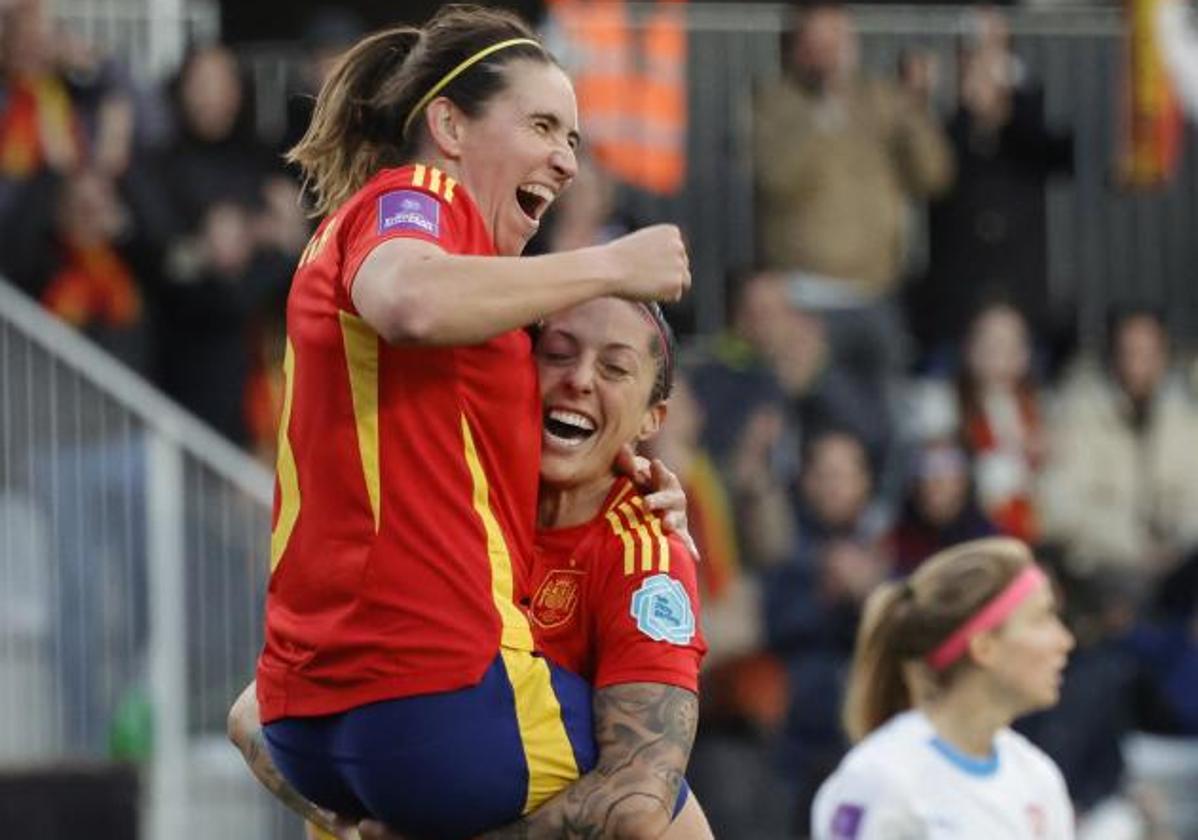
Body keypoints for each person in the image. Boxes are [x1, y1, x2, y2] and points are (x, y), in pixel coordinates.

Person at [253, 6, 690, 838]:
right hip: (428, 694)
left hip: (306, 709)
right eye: (542, 125)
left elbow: (441, 463)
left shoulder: (433, 267)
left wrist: (620, 481)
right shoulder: (420, 196)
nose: (565, 159)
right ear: (448, 124)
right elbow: (408, 299)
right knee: (650, 787)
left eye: (575, 139)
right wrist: (610, 262)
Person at [232, 296, 712, 838]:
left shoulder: (645, 554)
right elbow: (252, 717)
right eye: (556, 354)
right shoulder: (442, 503)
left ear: (653, 417)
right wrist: (350, 824)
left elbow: (640, 799)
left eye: (614, 368)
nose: (579, 379)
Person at [811, 538, 1076, 839]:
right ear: (984, 646)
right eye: (1042, 618)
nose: (1064, 641)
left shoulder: (1037, 779)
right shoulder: (881, 780)